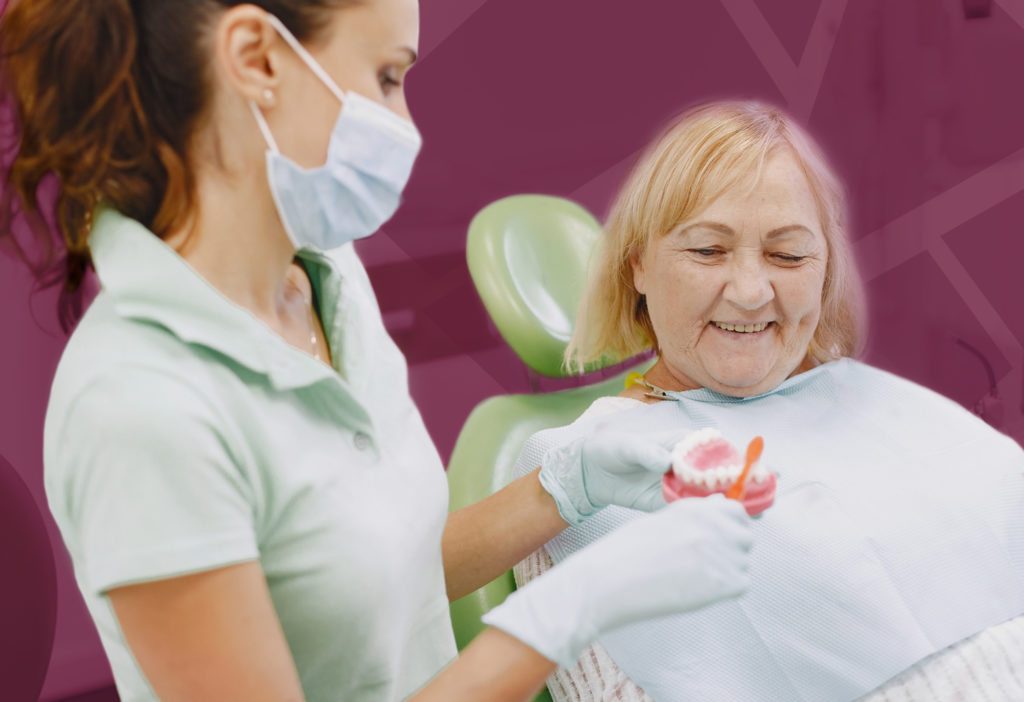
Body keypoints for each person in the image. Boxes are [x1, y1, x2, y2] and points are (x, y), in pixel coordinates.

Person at [0, 2, 757, 701]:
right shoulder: (140, 406)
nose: (408, 124)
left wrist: (568, 485)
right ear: (258, 59)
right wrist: (575, 607)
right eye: (387, 77)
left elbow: (377, 579)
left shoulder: (330, 283)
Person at [511, 100, 1024, 702]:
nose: (753, 292)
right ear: (638, 267)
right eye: (707, 251)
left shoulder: (864, 394)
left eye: (787, 255)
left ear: (825, 269)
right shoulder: (585, 469)